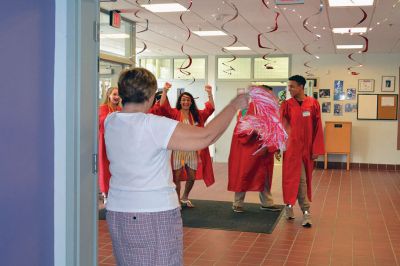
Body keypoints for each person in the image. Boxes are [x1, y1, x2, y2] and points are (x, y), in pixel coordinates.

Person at [104, 67, 248, 265]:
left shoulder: (111, 121)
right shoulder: (153, 125)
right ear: (150, 95)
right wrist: (233, 106)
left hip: (118, 210)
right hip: (153, 212)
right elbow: (205, 137)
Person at [280, 75, 325, 227]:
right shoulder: (286, 105)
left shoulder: (313, 104)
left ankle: (289, 207)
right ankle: (305, 212)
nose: (289, 89)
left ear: (301, 87)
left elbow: (318, 128)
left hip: (307, 149)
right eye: (288, 86)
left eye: (292, 86)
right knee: (297, 179)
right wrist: (279, 146)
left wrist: (316, 148)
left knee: (301, 180)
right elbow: (281, 126)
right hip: (291, 149)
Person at [159, 85, 215, 208]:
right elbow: (162, 106)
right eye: (183, 100)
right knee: (177, 177)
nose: (185, 102)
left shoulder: (196, 115)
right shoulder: (174, 113)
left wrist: (209, 93)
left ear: (191, 102)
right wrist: (165, 91)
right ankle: (177, 200)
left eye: (188, 100)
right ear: (180, 102)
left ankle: (185, 197)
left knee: (192, 176)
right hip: (177, 150)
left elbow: (210, 109)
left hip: (191, 150)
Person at [228, 85, 281, 213]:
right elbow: (241, 129)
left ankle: (267, 202)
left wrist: (275, 144)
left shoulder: (270, 109)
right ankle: (237, 203)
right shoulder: (246, 108)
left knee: (265, 174)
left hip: (264, 147)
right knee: (244, 173)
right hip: (248, 147)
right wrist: (258, 129)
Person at [98, 87, 122, 202]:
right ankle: (105, 194)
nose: (117, 97)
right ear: (109, 95)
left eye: (118, 95)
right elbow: (101, 121)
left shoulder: (121, 109)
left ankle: (116, 191)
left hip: (118, 143)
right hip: (105, 141)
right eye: (114, 94)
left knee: (117, 167)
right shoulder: (102, 108)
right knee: (105, 167)